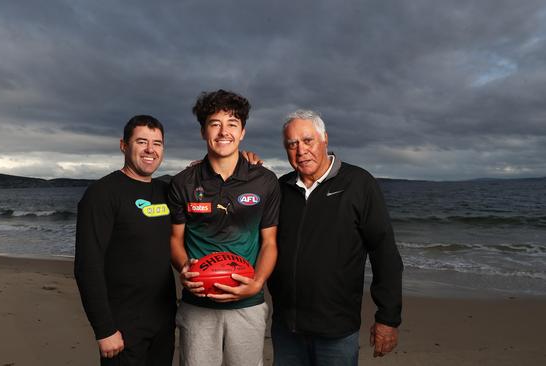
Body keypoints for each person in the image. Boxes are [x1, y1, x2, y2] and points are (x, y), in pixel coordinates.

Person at [268, 110, 403, 366]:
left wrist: (388, 317)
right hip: (286, 328)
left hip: (337, 331)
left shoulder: (359, 184)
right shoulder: (280, 188)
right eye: (292, 144)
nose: (301, 151)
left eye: (308, 141)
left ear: (325, 139)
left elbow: (384, 253)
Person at [168, 89, 280, 366]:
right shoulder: (184, 182)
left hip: (247, 304)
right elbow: (174, 239)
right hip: (198, 304)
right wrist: (185, 268)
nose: (223, 132)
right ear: (203, 131)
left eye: (232, 124)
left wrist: (256, 284)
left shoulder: (265, 181)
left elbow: (269, 243)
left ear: (242, 132)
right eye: (214, 124)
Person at [74, 115, 176, 366]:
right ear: (124, 145)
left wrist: (245, 161)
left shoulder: (165, 191)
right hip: (123, 325)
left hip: (164, 321)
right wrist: (104, 329)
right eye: (142, 142)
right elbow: (88, 266)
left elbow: (203, 181)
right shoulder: (102, 194)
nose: (150, 150)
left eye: (157, 143)